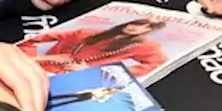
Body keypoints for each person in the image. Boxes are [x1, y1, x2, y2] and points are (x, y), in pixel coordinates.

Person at [21, 19, 169, 76]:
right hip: (42, 69)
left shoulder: (145, 47)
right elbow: (36, 39)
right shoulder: (88, 33)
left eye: (144, 28)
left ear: (148, 32)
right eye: (135, 24)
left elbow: (157, 64)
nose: (135, 29)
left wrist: (102, 72)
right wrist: (36, 57)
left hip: (82, 79)